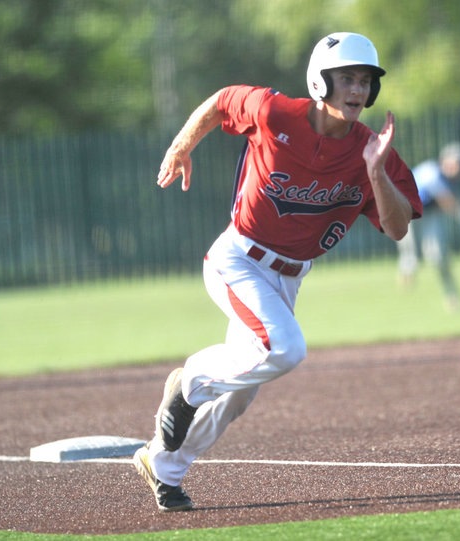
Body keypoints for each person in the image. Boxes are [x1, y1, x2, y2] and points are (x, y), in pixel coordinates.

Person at [132, 32, 422, 512]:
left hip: (288, 277)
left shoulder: (373, 150)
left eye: (365, 81)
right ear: (319, 81)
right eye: (346, 78)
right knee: (284, 348)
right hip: (238, 259)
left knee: (240, 397)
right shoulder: (275, 114)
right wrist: (183, 145)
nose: (357, 89)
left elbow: (396, 228)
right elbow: (222, 102)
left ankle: (163, 465)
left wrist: (375, 173)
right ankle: (187, 385)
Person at [396, 142, 460, 312]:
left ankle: (451, 296)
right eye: (458, 163)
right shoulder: (431, 172)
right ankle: (403, 296)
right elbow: (448, 202)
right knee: (411, 260)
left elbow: (447, 203)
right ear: (446, 160)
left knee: (439, 257)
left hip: (431, 214)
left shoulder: (451, 179)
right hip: (407, 212)